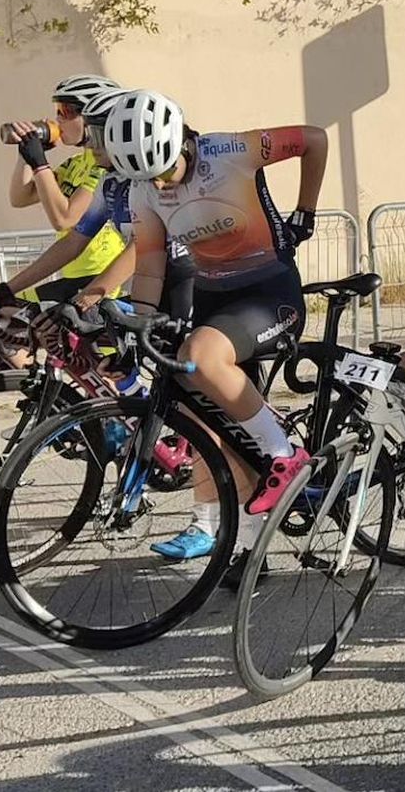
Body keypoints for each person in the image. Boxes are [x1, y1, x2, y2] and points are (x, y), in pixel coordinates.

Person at [106, 90, 328, 582]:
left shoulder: (231, 151)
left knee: (201, 356)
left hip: (270, 293)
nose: (160, 184)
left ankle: (287, 457)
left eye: (164, 169)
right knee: (228, 433)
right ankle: (252, 552)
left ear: (182, 142)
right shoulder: (145, 190)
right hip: (214, 302)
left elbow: (314, 140)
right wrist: (136, 317)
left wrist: (305, 212)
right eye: (148, 177)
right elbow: (149, 264)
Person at [0, 88, 196, 319]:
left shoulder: (148, 182)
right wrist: (7, 288)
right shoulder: (109, 182)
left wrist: (91, 295)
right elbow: (73, 242)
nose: (91, 145)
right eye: (89, 135)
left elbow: (142, 245)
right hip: (148, 283)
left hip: (185, 279)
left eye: (98, 136)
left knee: (183, 351)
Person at [5, 75, 127, 302]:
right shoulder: (75, 164)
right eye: (57, 110)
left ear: (92, 118)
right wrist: (26, 156)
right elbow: (20, 197)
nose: (58, 119)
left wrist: (40, 163)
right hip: (71, 272)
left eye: (67, 111)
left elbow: (65, 218)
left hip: (101, 276)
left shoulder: (105, 165)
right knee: (8, 314)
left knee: (10, 313)